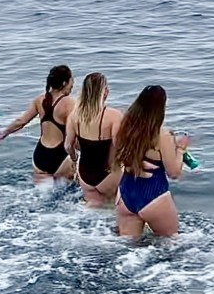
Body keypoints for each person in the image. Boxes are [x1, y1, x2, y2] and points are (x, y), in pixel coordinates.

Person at [112, 85, 190, 238]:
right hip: (154, 196)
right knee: (172, 245)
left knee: (128, 247)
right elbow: (173, 173)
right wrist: (180, 149)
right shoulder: (162, 136)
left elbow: (118, 154)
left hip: (125, 194)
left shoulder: (125, 127)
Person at [0, 65, 76, 182]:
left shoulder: (39, 100)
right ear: (64, 83)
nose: (73, 84)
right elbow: (75, 131)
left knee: (42, 194)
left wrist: (4, 133)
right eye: (72, 80)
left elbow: (21, 121)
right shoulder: (69, 103)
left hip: (40, 156)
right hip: (60, 156)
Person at [64, 72, 124, 207]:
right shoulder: (114, 116)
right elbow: (119, 146)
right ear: (105, 92)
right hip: (109, 174)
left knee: (94, 208)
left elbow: (68, 146)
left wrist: (74, 160)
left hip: (85, 175)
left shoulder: (74, 116)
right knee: (116, 209)